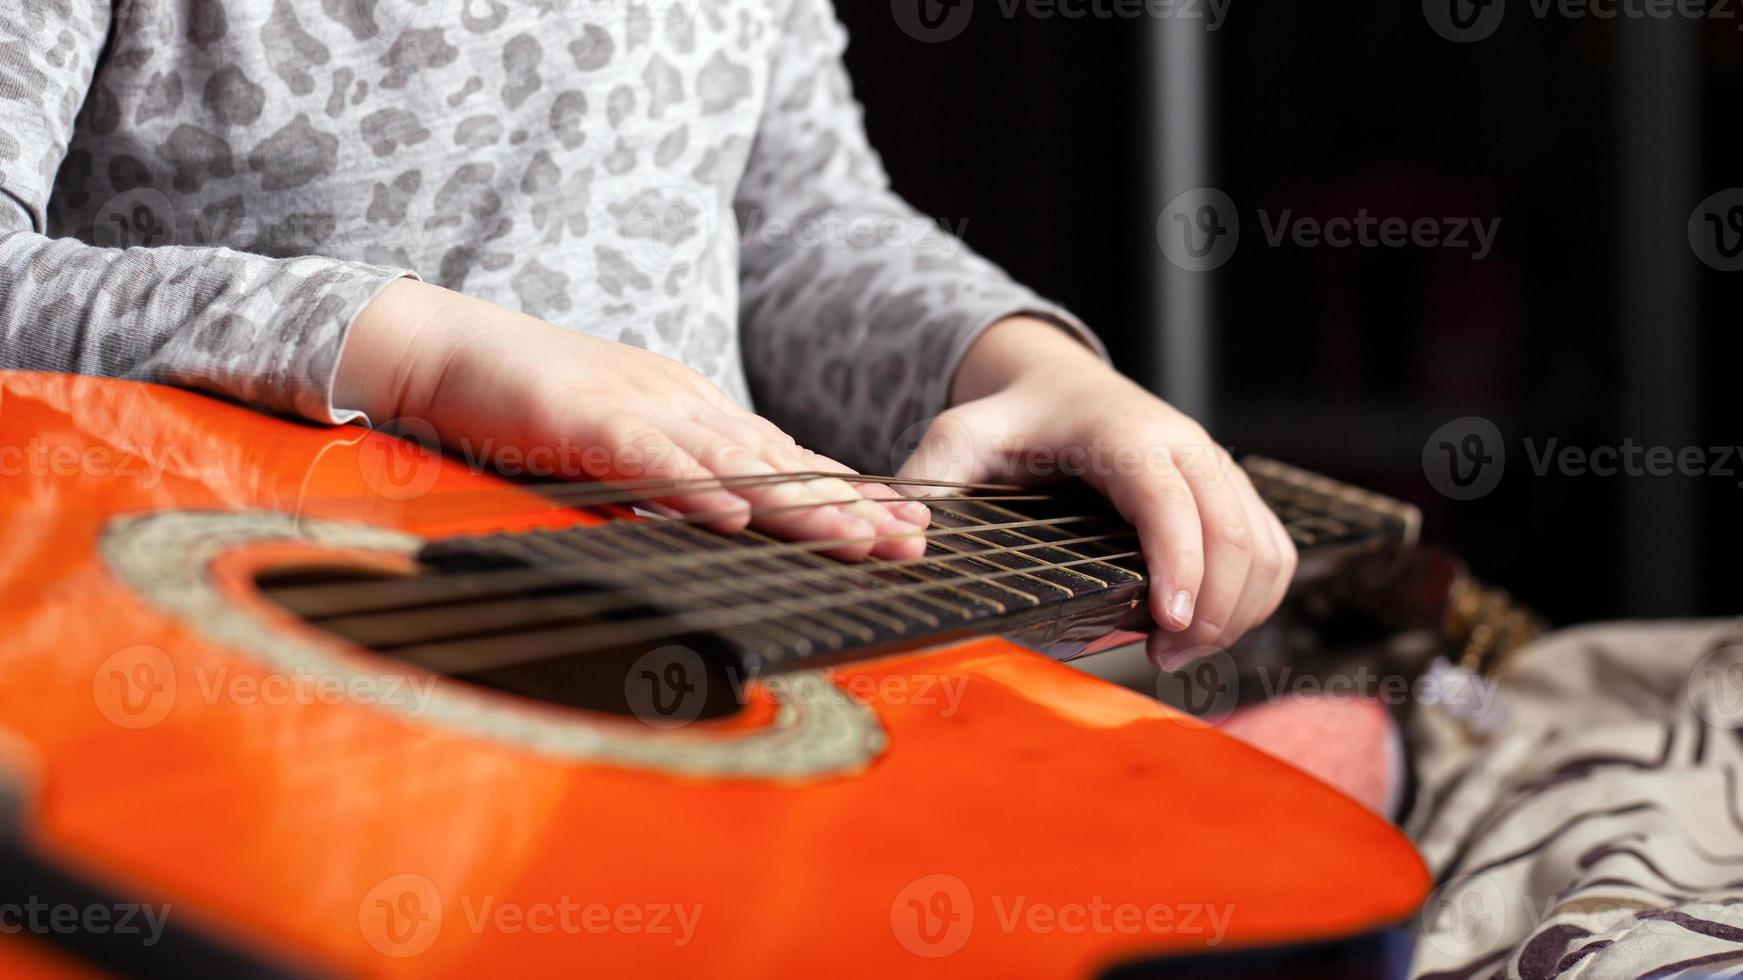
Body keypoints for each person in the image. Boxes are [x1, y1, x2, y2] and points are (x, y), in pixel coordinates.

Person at [0, 1, 1294, 702]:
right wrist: (416, 353)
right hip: (251, 669)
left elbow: (795, 226)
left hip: (722, 643)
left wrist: (1031, 370)